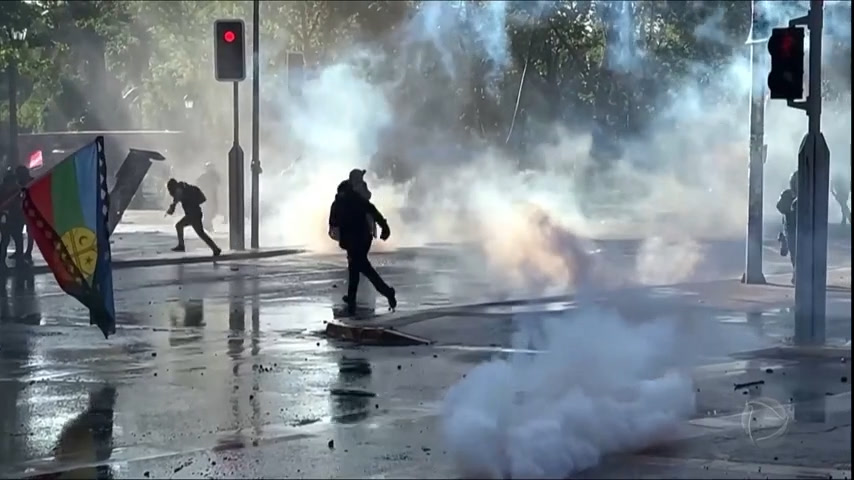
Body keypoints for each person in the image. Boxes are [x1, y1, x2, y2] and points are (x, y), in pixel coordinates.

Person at [329, 179, 397, 316]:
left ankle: (387, 292)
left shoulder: (341, 203)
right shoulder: (355, 199)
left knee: (362, 268)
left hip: (356, 240)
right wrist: (384, 227)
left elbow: (333, 222)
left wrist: (384, 227)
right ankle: (352, 298)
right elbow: (373, 211)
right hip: (361, 239)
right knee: (355, 269)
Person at [165, 178, 221, 256]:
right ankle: (215, 249)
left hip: (193, 215)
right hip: (196, 213)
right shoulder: (185, 188)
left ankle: (181, 246)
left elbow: (174, 203)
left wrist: (171, 209)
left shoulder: (178, 190)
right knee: (200, 233)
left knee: (179, 226)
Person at [776, 171, 798, 284]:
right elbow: (780, 206)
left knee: (797, 253)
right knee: (794, 253)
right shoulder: (788, 194)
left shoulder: (806, 195)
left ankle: (797, 274)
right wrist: (791, 208)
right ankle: (796, 274)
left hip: (799, 228)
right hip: (790, 227)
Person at [196, 163, 222, 231]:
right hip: (206, 195)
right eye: (209, 167)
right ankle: (207, 225)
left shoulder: (215, 175)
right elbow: (198, 183)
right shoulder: (204, 176)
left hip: (213, 194)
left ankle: (206, 224)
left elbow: (219, 182)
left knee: (214, 210)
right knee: (208, 210)